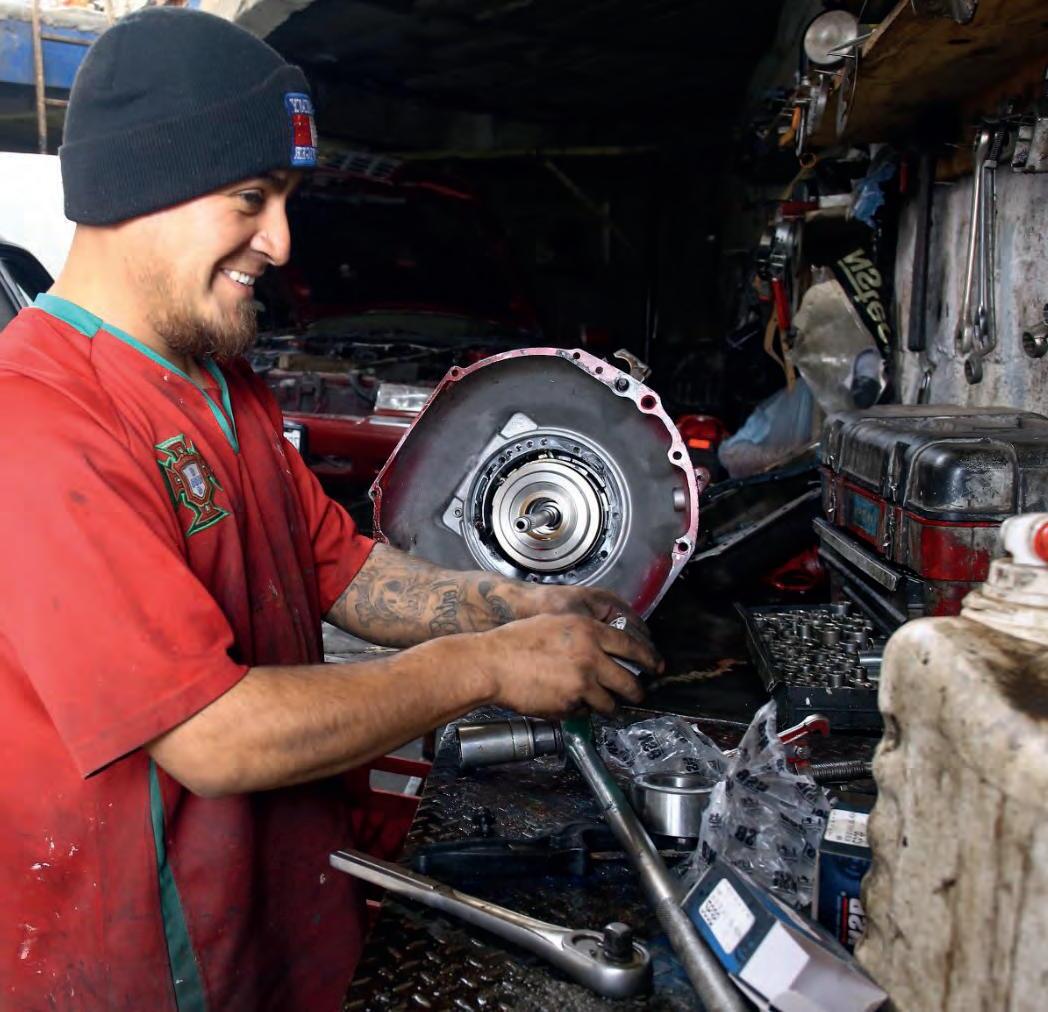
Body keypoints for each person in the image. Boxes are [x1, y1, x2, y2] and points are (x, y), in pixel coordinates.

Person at [0, 8, 660, 1011]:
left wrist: (520, 609)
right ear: (140, 184)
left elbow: (339, 570)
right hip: (147, 970)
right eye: (251, 198)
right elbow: (212, 735)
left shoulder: (222, 383)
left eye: (286, 200)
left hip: (282, 923)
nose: (281, 241)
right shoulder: (40, 421)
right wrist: (483, 666)